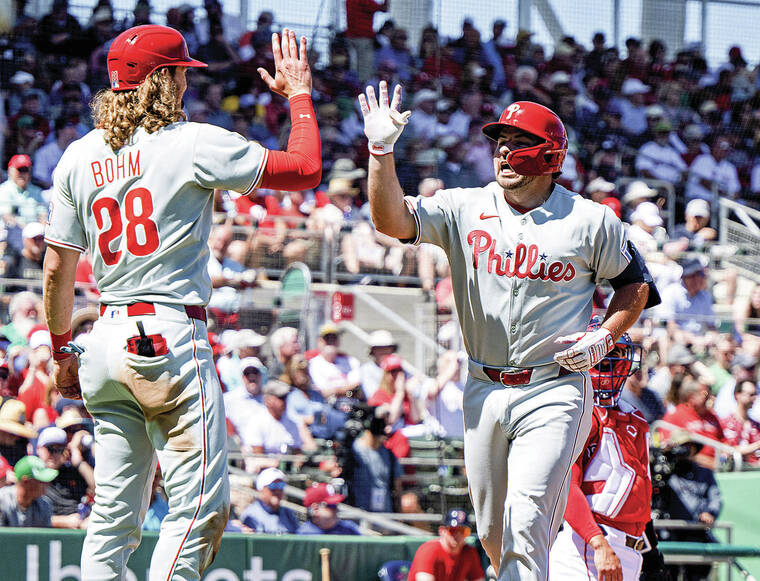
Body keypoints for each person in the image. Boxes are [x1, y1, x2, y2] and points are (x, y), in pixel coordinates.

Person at [42, 24, 320, 580]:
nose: (186, 84)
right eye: (180, 73)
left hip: (103, 338)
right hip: (167, 337)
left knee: (113, 517)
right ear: (162, 79)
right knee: (198, 507)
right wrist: (298, 96)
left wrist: (61, 350)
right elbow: (306, 168)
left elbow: (56, 270)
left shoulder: (78, 155)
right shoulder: (191, 141)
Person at [359, 88, 658, 580]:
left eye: (518, 143)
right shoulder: (462, 205)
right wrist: (380, 152)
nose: (503, 151)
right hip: (483, 387)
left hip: (555, 386)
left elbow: (635, 285)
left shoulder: (590, 219)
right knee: (493, 534)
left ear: (549, 156)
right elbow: (390, 220)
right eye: (500, 142)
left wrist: (605, 335)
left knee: (527, 519)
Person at [549, 326, 668, 581]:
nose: (609, 362)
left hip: (632, 550)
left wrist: (652, 555)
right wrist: (598, 543)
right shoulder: (579, 412)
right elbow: (566, 488)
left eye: (616, 353)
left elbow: (640, 494)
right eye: (603, 355)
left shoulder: (635, 418)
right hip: (588, 546)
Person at [36, 426, 94, 529]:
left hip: (79, 525)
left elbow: (97, 487)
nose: (54, 454)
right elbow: (28, 516)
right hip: (49, 531)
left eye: (59, 450)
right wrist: (62, 522)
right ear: (39, 449)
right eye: (50, 449)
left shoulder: (72, 472)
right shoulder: (33, 473)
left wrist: (78, 461)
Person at [407, 508, 486, 581]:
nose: (458, 535)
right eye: (453, 530)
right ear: (442, 531)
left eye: (463, 531)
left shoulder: (469, 552)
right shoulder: (429, 550)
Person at [0, 455, 57, 527]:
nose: (47, 484)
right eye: (41, 481)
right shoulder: (2, 500)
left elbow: (45, 533)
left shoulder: (45, 505)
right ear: (25, 482)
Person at [239, 467, 298, 534]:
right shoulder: (251, 515)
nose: (277, 490)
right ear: (261, 489)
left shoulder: (288, 513)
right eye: (273, 486)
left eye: (281, 485)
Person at [296, 482, 361, 535]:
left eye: (336, 505)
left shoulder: (349, 529)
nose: (336, 509)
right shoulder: (305, 534)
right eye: (331, 505)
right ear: (315, 508)